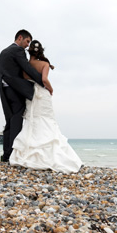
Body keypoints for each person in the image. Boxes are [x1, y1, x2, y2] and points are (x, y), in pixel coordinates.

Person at [9, 40, 82, 173]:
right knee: (47, 120)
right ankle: (51, 154)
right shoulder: (44, 64)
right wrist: (51, 89)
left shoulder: (25, 65)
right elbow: (44, 80)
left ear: (29, 50)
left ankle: (28, 153)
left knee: (33, 121)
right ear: (40, 51)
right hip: (42, 94)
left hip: (30, 95)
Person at [0, 30, 46, 162]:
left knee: (9, 122)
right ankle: (14, 155)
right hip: (15, 91)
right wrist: (42, 82)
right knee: (16, 122)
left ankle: (6, 155)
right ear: (20, 38)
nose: (27, 45)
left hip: (4, 91)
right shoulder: (17, 51)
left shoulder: (3, 52)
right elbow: (27, 68)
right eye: (27, 41)